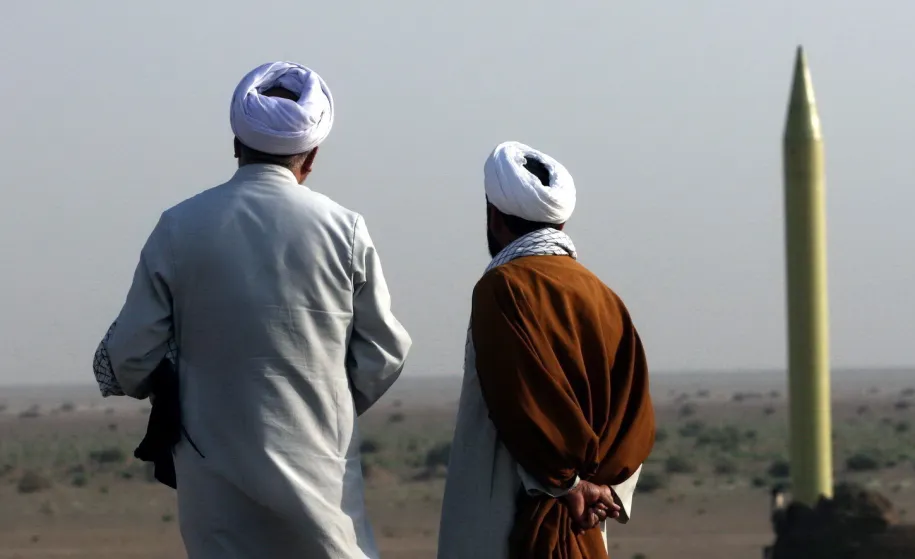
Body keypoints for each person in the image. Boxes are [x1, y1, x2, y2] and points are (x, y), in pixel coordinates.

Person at [92, 61, 411, 559]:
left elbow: (130, 356)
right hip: (320, 469)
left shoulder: (180, 226)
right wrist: (325, 402)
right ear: (313, 154)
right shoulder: (344, 229)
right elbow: (386, 351)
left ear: (236, 143)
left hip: (212, 479)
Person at [437, 141, 656, 558]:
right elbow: (636, 411)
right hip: (586, 518)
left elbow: (522, 398)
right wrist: (603, 487)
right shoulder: (603, 296)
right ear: (560, 224)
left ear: (494, 217)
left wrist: (567, 484)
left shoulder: (502, 288)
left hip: (505, 511)